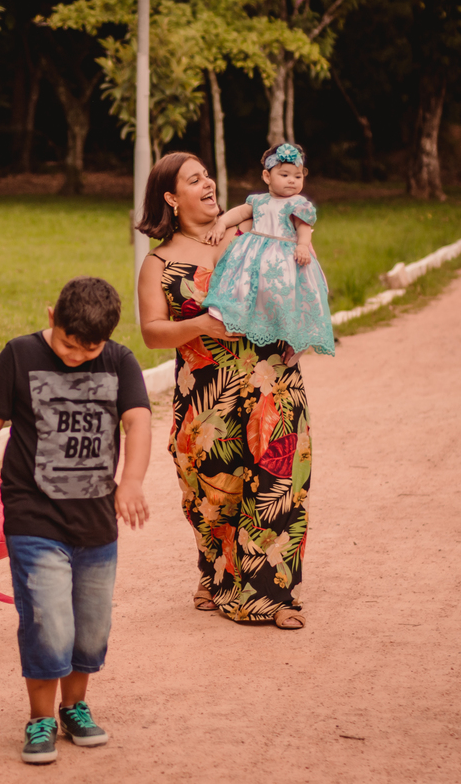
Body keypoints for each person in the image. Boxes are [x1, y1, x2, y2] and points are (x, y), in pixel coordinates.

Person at [0, 277, 152, 765]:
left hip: (94, 523)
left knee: (89, 627)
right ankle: (40, 717)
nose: (76, 355)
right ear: (52, 318)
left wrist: (130, 481)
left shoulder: (120, 361)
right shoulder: (20, 355)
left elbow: (138, 420)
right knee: (48, 621)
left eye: (90, 348)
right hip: (33, 516)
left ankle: (75, 707)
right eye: (69, 343)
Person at [136, 153, 309, 631]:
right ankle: (216, 574)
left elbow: (297, 276)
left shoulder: (249, 230)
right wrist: (200, 323)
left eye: (208, 175)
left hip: (273, 378)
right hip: (208, 395)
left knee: (280, 488)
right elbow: (152, 331)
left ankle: (274, 597)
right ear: (172, 198)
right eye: (195, 180)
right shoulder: (160, 263)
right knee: (213, 494)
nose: (209, 184)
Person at [204, 143, 334, 366]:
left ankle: (296, 339)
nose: (292, 180)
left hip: (286, 259)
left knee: (288, 298)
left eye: (297, 176)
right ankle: (239, 319)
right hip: (254, 257)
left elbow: (303, 228)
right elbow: (238, 213)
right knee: (247, 288)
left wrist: (303, 245)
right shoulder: (258, 201)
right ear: (267, 176)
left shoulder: (298, 204)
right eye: (284, 175)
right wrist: (220, 224)